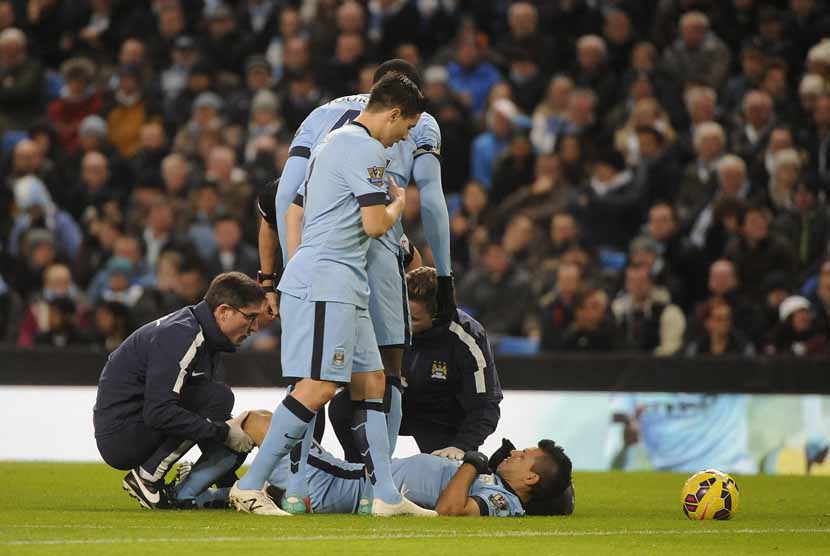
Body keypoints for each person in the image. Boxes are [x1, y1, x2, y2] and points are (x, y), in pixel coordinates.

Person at [232, 74, 432, 517]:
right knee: (321, 384)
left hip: (343, 278)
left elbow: (296, 208)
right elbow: (376, 225)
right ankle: (250, 484)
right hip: (329, 280)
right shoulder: (364, 149)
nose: (406, 137)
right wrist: (398, 204)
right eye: (407, 127)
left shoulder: (333, 142)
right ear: (394, 114)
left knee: (373, 381)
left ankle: (384, 495)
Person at [93, 272, 268, 510]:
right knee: (218, 400)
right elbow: (159, 412)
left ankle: (193, 489)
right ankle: (147, 477)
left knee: (222, 411)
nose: (255, 327)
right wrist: (222, 433)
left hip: (132, 424)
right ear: (224, 311)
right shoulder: (181, 335)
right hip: (123, 435)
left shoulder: (201, 334)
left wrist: (228, 475)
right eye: (251, 317)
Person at [243, 410, 574, 517]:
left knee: (258, 423)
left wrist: (473, 462)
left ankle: (208, 442)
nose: (515, 453)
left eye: (524, 456)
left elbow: (450, 509)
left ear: (531, 479)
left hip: (338, 484)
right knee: (263, 423)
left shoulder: (504, 500)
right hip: (350, 478)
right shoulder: (496, 487)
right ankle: (203, 492)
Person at [330, 266, 502, 461]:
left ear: (438, 316)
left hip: (442, 417)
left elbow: (486, 405)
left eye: (414, 319)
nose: (404, 323)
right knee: (343, 406)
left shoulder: (468, 337)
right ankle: (358, 471)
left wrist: (461, 447)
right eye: (402, 313)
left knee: (446, 475)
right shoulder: (384, 319)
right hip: (394, 402)